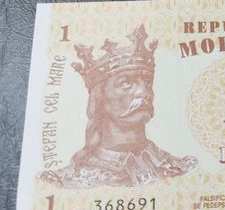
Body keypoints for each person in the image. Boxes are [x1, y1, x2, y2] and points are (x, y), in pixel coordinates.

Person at [40, 25, 197, 188]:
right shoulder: (66, 181)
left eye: (147, 82)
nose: (144, 92)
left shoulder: (182, 168)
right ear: (99, 98)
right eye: (126, 83)